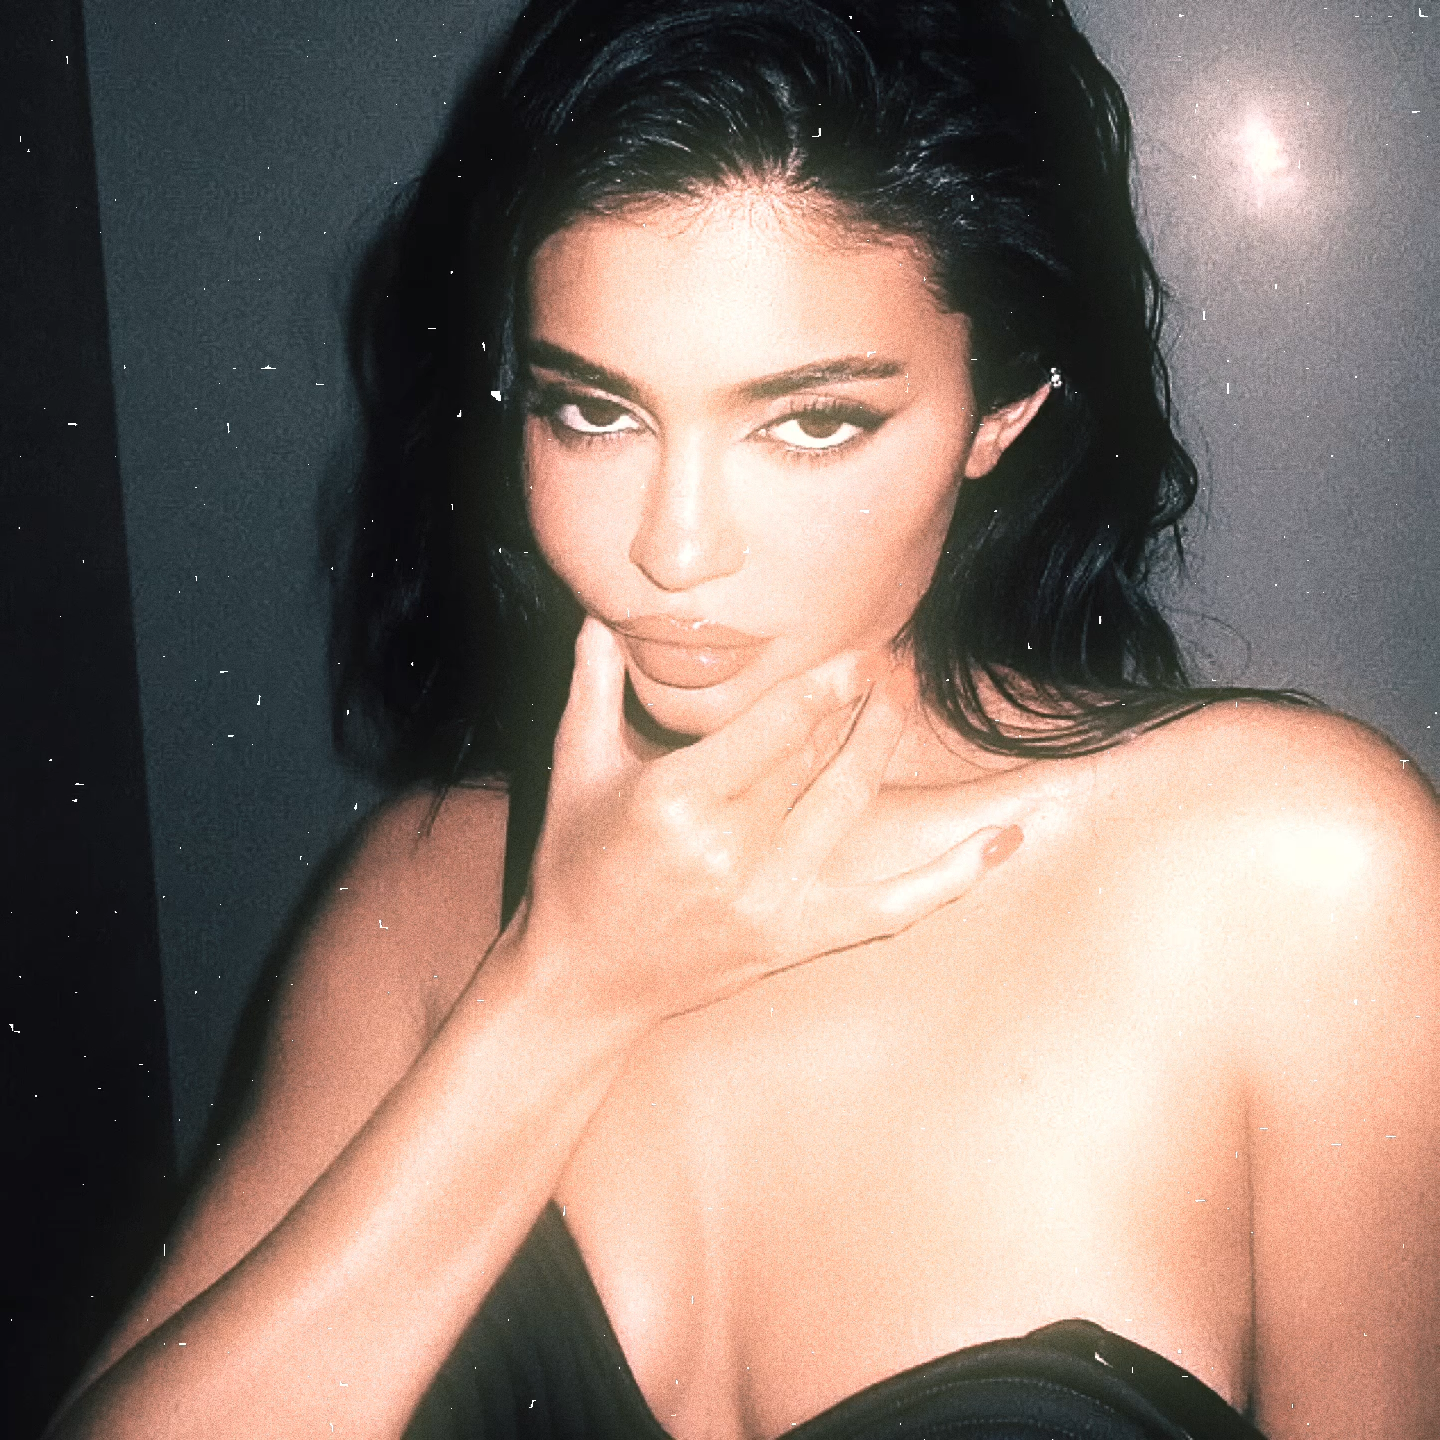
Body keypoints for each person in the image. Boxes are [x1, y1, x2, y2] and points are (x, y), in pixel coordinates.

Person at [46, 1, 1437, 1437]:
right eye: (595, 413)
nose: (675, 545)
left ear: (1000, 414)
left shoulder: (1290, 876)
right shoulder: (419, 896)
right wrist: (562, 988)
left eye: (811, 422)